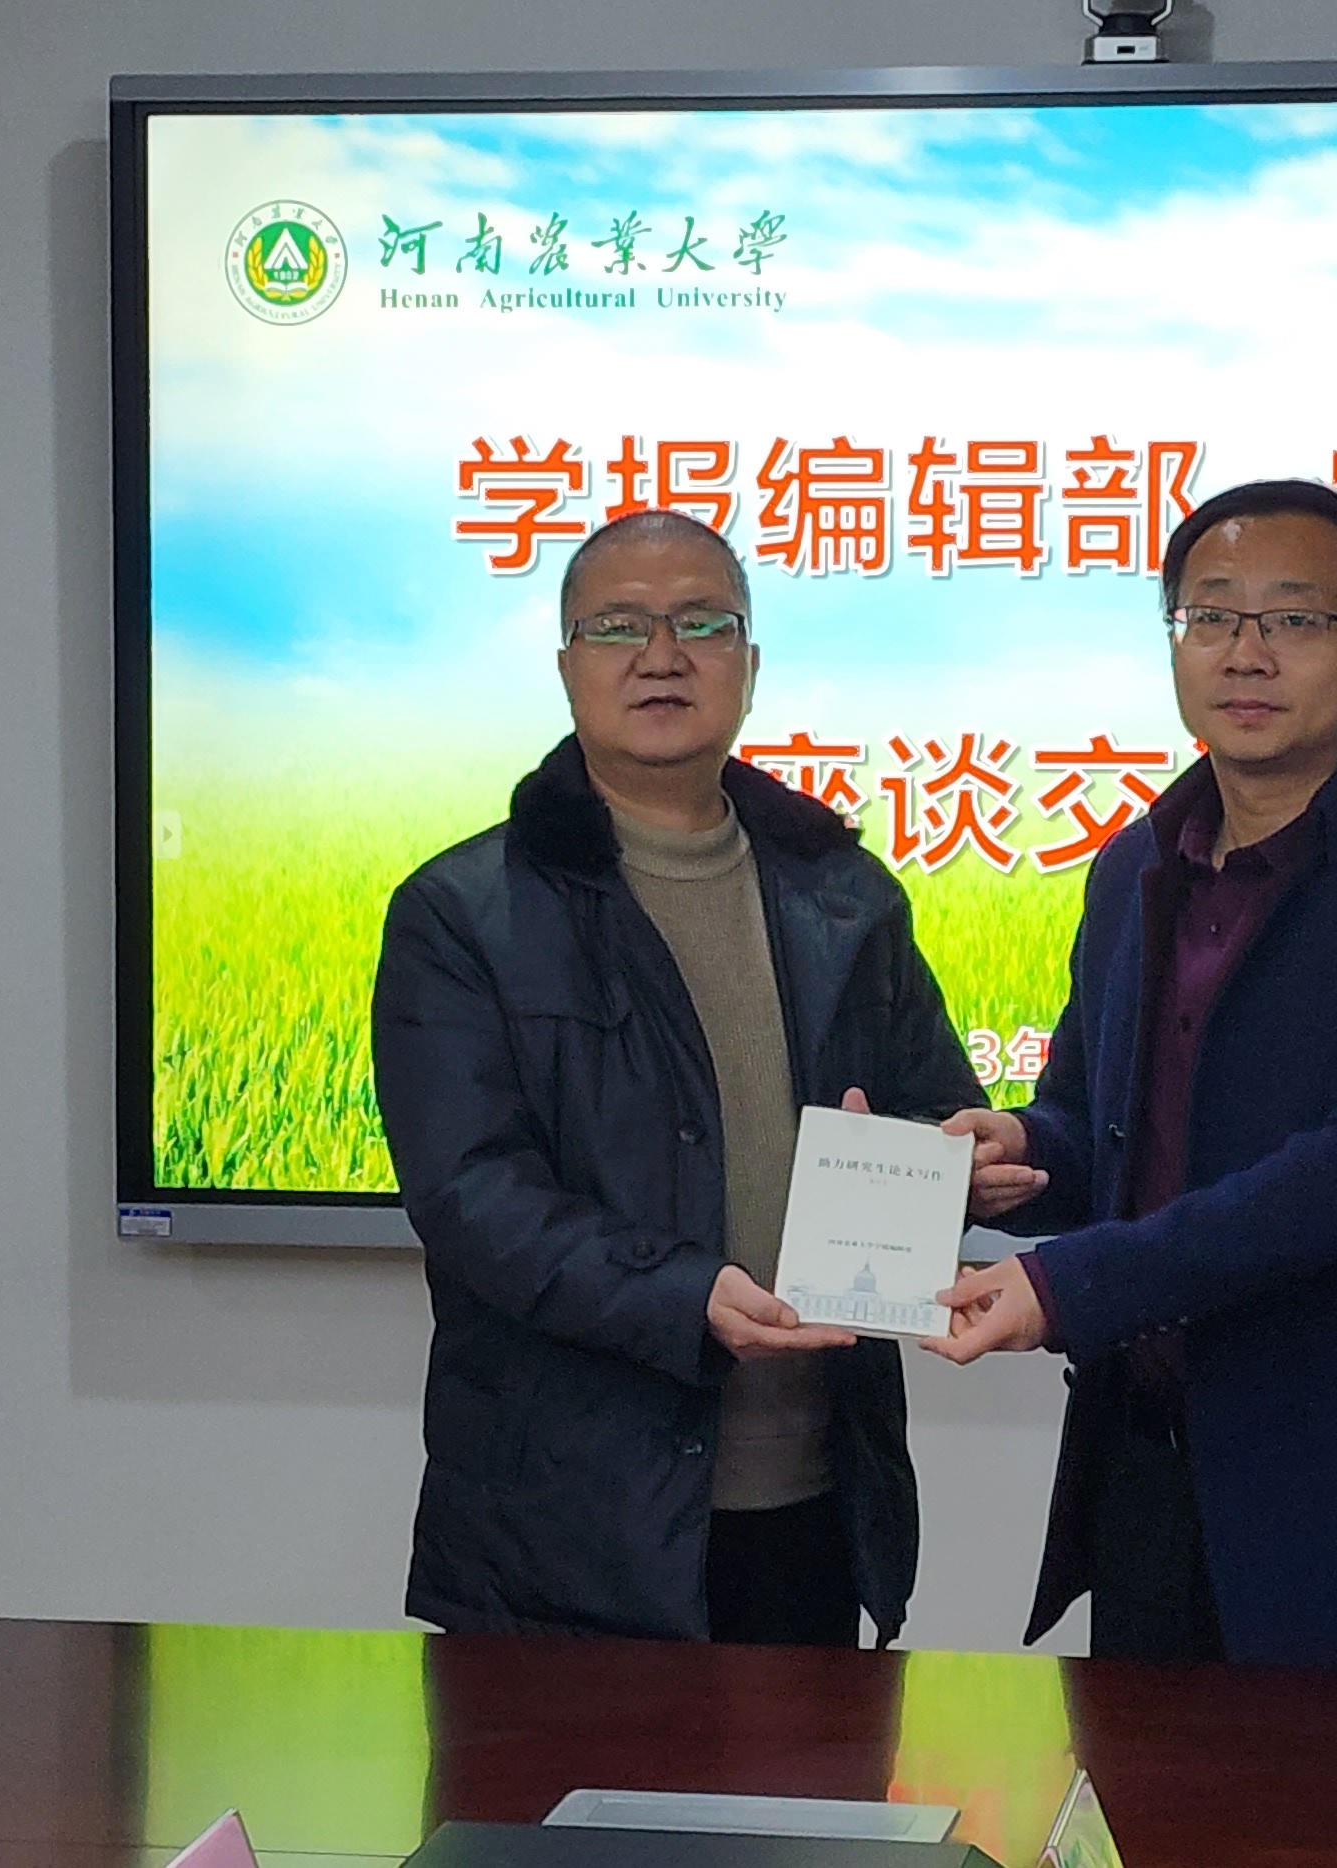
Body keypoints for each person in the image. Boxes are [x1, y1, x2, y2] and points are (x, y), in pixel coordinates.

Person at [928, 478, 1337, 1672]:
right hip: (1148, 1482)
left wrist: (1068, 1284)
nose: (1245, 652)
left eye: (1294, 618)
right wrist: (1022, 1152)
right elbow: (1099, 1120)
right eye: (1210, 615)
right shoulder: (1135, 865)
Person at [374, 509, 1027, 1646]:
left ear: (750, 665)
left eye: (702, 624)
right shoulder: (462, 913)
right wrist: (678, 1295)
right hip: (566, 1526)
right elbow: (471, 1196)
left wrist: (962, 1162)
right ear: (567, 666)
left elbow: (927, 1102)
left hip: (818, 1496)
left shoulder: (844, 895)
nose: (662, 655)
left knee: (812, 1774)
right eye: (618, 626)